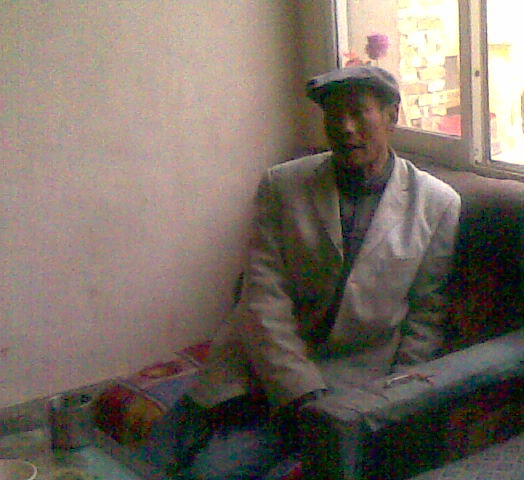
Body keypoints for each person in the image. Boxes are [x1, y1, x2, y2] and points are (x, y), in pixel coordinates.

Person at [141, 65, 461, 479]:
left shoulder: (436, 204)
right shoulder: (283, 185)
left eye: (358, 112)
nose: (345, 128)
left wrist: (393, 403)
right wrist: (300, 387)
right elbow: (261, 296)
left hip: (347, 383)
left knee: (212, 471)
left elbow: (425, 317)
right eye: (334, 116)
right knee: (149, 459)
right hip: (254, 361)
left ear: (391, 116)